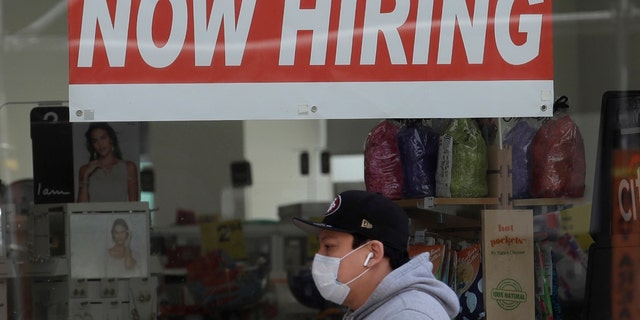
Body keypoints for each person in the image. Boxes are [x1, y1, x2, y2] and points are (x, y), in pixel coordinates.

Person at [293, 190, 460, 319]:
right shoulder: (377, 309)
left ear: (373, 253)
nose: (319, 256)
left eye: (329, 246)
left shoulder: (407, 315)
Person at [77, 122, 139, 202]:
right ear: (92, 145)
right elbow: (81, 209)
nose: (100, 144)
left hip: (121, 214)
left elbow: (134, 206)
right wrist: (85, 176)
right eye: (95, 141)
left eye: (103, 138)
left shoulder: (129, 167)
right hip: (93, 214)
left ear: (111, 139)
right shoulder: (85, 169)